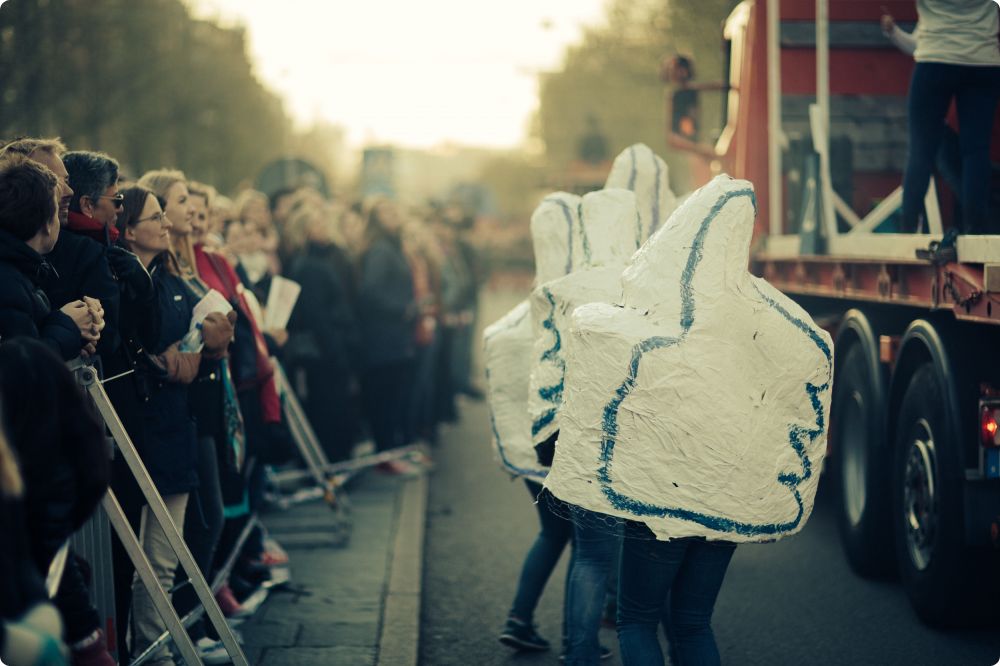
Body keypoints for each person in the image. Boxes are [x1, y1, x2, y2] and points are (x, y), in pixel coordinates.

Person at [116, 184, 233, 666]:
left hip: (171, 422)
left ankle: (157, 646)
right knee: (150, 558)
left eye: (168, 214)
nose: (166, 223)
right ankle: (153, 651)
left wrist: (207, 344)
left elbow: (207, 327)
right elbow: (143, 351)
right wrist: (183, 356)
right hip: (149, 422)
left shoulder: (166, 277)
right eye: (156, 217)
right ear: (127, 232)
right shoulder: (130, 281)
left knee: (163, 554)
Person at [892, 0, 1000, 235]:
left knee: (921, 149)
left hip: (935, 59)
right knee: (976, 151)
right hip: (982, 61)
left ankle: (908, 228)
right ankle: (976, 229)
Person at [0, 153, 98, 361]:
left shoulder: (19, 271)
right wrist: (68, 325)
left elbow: (32, 336)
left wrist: (74, 336)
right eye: (56, 212)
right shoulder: (8, 283)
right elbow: (24, 367)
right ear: (46, 222)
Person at [283, 203, 359, 462]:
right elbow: (316, 315)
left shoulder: (319, 261)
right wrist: (336, 350)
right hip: (325, 352)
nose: (325, 228)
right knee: (329, 408)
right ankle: (333, 460)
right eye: (318, 224)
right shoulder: (309, 265)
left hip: (330, 347)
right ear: (304, 231)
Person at [357, 198, 417, 469]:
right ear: (376, 220)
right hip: (383, 339)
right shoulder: (381, 250)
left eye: (395, 209)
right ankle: (385, 458)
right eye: (387, 212)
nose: (394, 215)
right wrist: (401, 309)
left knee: (393, 398)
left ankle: (392, 454)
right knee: (385, 400)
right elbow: (370, 290)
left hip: (394, 338)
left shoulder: (392, 245)